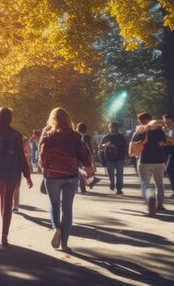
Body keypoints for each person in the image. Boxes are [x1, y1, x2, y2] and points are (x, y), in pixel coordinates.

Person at [39, 107, 95, 252]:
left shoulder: (48, 135)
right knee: (67, 208)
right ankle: (64, 243)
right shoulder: (75, 136)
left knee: (54, 205)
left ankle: (56, 228)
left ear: (52, 119)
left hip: (52, 176)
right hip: (71, 176)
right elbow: (83, 155)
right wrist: (89, 168)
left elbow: (41, 157)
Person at [0, 107, 33, 247]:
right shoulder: (17, 135)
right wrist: (27, 175)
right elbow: (21, 156)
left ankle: (4, 230)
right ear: (10, 118)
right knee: (8, 200)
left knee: (3, 199)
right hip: (13, 171)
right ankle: (4, 234)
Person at [131, 112, 168, 216]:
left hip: (144, 160)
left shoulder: (140, 130)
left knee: (144, 183)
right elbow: (164, 142)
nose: (140, 122)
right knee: (159, 183)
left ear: (145, 120)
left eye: (140, 120)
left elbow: (133, 143)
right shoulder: (159, 130)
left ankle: (150, 198)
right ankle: (160, 204)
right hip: (159, 160)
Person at [100, 122, 128, 195]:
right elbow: (101, 146)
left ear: (116, 128)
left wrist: (125, 154)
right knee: (111, 173)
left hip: (120, 158)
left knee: (120, 174)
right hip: (109, 158)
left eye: (113, 127)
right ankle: (112, 182)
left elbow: (125, 145)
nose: (112, 129)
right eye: (110, 127)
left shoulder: (121, 136)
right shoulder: (106, 137)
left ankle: (119, 189)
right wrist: (105, 145)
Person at [75, 123, 101, 193]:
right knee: (83, 171)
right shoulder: (86, 136)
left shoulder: (74, 135)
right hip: (84, 156)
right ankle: (84, 186)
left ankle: (77, 188)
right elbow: (93, 145)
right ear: (85, 129)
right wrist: (93, 155)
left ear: (77, 127)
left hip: (75, 156)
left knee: (77, 172)